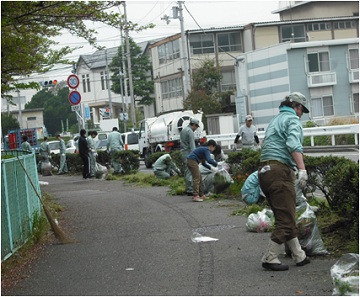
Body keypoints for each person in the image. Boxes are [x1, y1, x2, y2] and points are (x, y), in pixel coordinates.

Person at [258, 92, 310, 271]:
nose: (301, 114)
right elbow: (293, 144)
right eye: (302, 110)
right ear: (298, 107)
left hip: (265, 171)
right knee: (286, 219)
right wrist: (302, 169)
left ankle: (299, 255)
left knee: (285, 215)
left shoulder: (275, 120)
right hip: (280, 171)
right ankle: (270, 256)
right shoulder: (292, 119)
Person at [180, 117, 200, 196]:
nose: (196, 128)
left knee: (186, 171)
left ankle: (188, 187)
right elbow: (192, 146)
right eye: (196, 126)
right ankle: (190, 189)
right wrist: (195, 155)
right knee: (190, 172)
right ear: (194, 125)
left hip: (183, 152)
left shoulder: (184, 130)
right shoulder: (190, 131)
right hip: (188, 153)